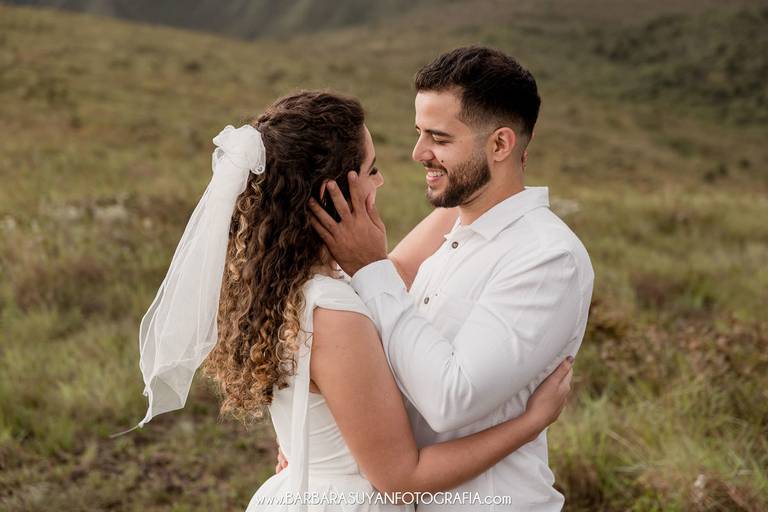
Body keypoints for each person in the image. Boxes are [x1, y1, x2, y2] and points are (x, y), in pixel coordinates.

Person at [135, 90, 574, 512]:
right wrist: (529, 423)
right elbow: (401, 480)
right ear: (336, 195)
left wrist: (490, 172)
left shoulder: (288, 283)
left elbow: (391, 270)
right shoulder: (334, 314)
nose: (381, 179)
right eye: (371, 169)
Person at [309, 47, 595, 511]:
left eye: (438, 138)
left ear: (500, 145)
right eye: (419, 133)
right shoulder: (451, 233)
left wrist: (372, 270)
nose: (418, 153)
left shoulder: (546, 258)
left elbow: (450, 401)